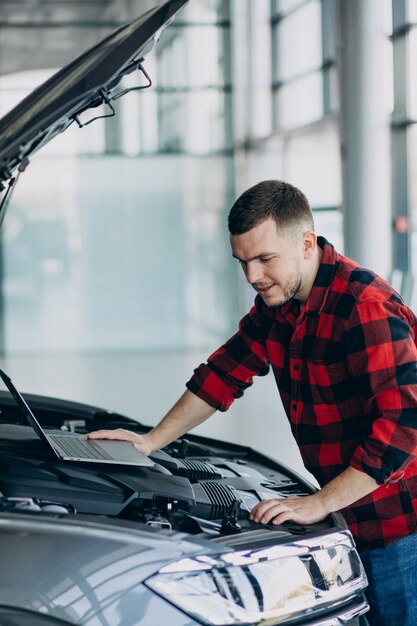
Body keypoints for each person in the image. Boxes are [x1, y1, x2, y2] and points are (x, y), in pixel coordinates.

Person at [88, 180, 417, 625]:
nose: (252, 276)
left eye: (265, 259)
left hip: (398, 529)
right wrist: (150, 441)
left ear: (305, 243)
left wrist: (321, 502)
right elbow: (224, 373)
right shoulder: (278, 305)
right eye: (243, 261)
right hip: (347, 513)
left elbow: (402, 429)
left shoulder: (366, 307)